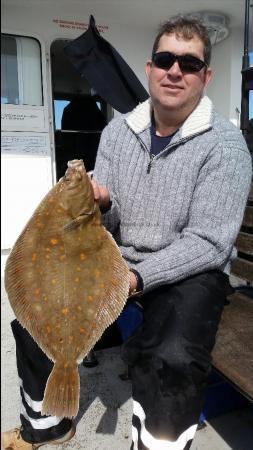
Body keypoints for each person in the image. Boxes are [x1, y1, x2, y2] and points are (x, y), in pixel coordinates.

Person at [2, 15, 252, 450]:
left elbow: (209, 243)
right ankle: (46, 426)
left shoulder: (225, 146)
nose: (175, 71)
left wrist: (132, 280)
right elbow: (110, 221)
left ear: (205, 76)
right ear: (150, 67)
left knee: (169, 357)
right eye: (165, 59)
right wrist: (102, 203)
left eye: (189, 64)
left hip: (187, 273)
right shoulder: (118, 132)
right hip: (118, 262)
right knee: (32, 324)